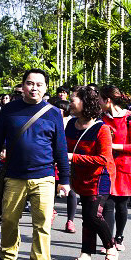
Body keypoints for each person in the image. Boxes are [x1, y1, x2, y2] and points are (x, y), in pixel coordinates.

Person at [0, 69, 71, 260]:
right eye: (30, 83)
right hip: (14, 176)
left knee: (42, 224)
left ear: (46, 88)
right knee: (9, 219)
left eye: (39, 84)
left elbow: (60, 147)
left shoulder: (53, 113)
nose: (34, 88)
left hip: (44, 177)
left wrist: (65, 179)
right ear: (22, 86)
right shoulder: (9, 110)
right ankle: (7, 255)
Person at [62, 86, 119, 260]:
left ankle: (111, 249)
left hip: (100, 178)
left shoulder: (102, 129)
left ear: (85, 103)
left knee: (94, 215)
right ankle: (85, 256)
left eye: (73, 100)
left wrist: (73, 157)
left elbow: (104, 159)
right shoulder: (71, 125)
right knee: (87, 217)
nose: (70, 103)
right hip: (80, 179)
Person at [100, 85, 131, 251]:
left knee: (122, 206)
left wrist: (112, 146)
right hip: (107, 167)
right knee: (108, 206)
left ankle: (119, 237)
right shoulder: (101, 119)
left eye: (100, 99)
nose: (98, 103)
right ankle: (108, 241)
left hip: (125, 169)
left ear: (108, 100)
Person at [56, 99, 80, 234]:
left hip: (69, 158)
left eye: (61, 108)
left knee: (71, 190)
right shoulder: (50, 119)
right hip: (53, 160)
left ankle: (70, 220)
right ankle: (51, 212)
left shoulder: (71, 122)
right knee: (52, 188)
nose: (59, 111)